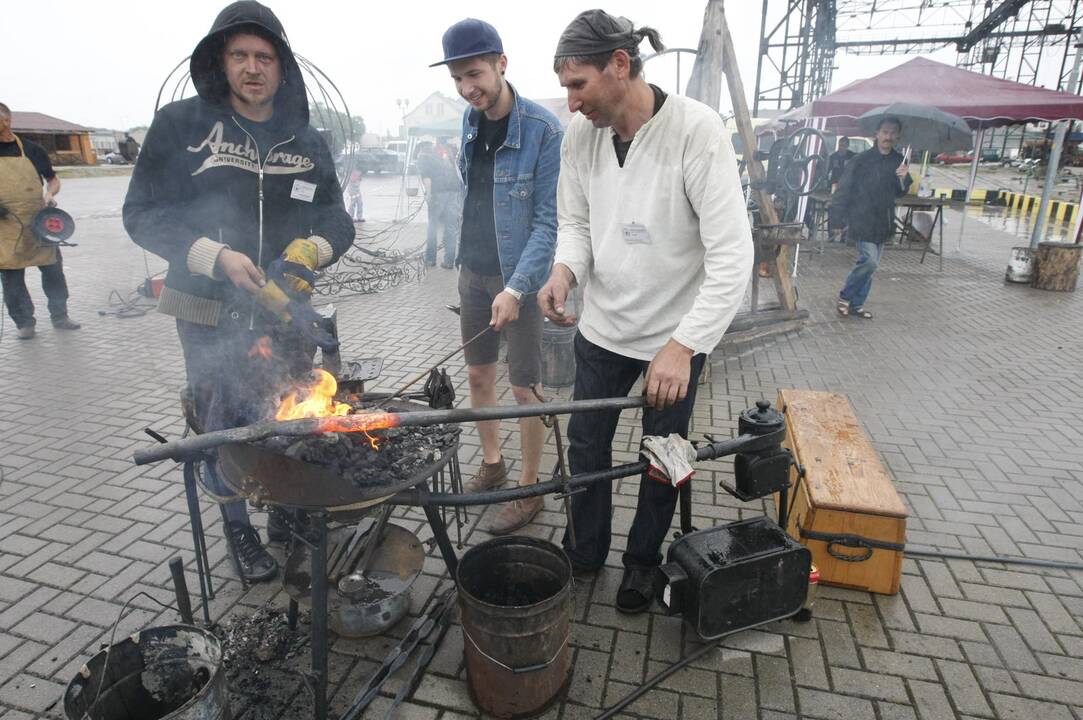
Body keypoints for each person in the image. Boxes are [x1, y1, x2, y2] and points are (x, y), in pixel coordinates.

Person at [123, 0, 354, 581]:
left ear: (282, 66)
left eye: (265, 57)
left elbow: (337, 219)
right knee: (222, 422)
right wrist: (214, 256)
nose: (254, 68)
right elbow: (141, 214)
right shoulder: (181, 126)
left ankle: (283, 509)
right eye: (240, 55)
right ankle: (238, 532)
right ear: (220, 62)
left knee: (285, 410)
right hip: (205, 310)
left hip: (283, 310)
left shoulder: (306, 139)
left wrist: (312, 251)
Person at [538, 9, 753, 613]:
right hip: (602, 329)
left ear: (620, 65)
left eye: (578, 85)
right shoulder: (581, 136)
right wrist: (565, 270)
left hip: (673, 341)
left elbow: (733, 255)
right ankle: (584, 550)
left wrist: (684, 346)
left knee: (665, 457)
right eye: (566, 89)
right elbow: (575, 222)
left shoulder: (696, 130)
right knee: (586, 448)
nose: (573, 103)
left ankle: (642, 562)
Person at [432, 18, 562, 534]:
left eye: (475, 74)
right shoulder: (469, 119)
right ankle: (493, 464)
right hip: (473, 272)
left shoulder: (543, 131)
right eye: (459, 79)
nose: (468, 88)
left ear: (502, 64)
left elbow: (549, 222)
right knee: (478, 376)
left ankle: (530, 490)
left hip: (521, 279)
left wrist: (516, 287)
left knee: (525, 387)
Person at [0, 102, 81, 340]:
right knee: (12, 279)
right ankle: (25, 323)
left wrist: (49, 194)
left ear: (7, 121)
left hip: (39, 221)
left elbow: (53, 180)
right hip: (5, 227)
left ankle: (60, 315)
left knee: (53, 271)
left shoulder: (31, 149)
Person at [832, 117, 911, 320]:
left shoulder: (898, 161)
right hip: (862, 217)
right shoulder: (861, 160)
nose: (888, 136)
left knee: (870, 265)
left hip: (883, 220)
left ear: (897, 136)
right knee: (870, 262)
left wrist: (903, 178)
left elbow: (900, 193)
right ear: (876, 134)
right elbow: (844, 188)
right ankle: (845, 297)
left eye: (893, 132)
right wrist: (837, 219)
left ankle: (856, 304)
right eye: (885, 132)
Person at [416, 141, 461, 268]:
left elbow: (427, 178)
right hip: (453, 192)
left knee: (432, 226)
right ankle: (449, 261)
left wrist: (428, 194)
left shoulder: (424, 158)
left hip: (438, 194)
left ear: (421, 150)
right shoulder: (449, 155)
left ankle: (430, 259)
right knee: (451, 228)